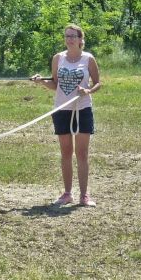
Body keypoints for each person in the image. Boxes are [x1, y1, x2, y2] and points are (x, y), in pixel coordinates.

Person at [30, 24, 102, 207]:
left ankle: (84, 195)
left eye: (73, 36)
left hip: (82, 109)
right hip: (61, 110)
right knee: (66, 152)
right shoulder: (58, 58)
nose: (69, 39)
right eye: (67, 36)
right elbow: (55, 84)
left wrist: (88, 90)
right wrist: (41, 82)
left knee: (82, 153)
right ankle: (67, 193)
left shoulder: (88, 59)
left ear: (80, 39)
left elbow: (98, 83)